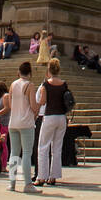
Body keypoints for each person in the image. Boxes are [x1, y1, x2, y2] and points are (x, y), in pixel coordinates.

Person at [5, 62, 40, 193]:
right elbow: (33, 105)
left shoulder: (13, 85)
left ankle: (12, 183)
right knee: (26, 153)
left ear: (19, 72)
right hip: (26, 122)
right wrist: (39, 105)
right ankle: (28, 184)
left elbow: (10, 104)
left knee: (14, 153)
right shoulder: (29, 85)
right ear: (30, 73)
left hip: (13, 122)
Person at [36, 59, 70, 187]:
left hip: (50, 116)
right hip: (61, 117)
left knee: (43, 146)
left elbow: (43, 101)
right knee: (57, 148)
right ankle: (53, 176)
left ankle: (41, 177)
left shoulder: (46, 85)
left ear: (49, 70)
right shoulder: (64, 84)